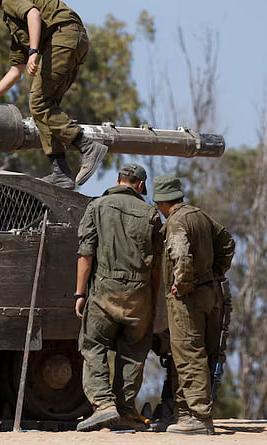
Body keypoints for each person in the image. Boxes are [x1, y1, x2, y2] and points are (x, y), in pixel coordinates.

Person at [0, 0, 107, 190]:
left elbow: (33, 14)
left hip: (63, 37)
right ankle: (60, 171)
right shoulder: (14, 25)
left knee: (38, 103)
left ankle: (87, 146)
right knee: (45, 109)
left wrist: (33, 51)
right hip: (74, 40)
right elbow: (15, 71)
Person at [74, 163, 163, 431]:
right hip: (140, 293)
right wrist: (152, 299)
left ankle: (103, 405)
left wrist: (80, 293)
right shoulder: (151, 214)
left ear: (118, 180)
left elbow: (86, 255)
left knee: (94, 345)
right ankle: (124, 412)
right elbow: (157, 265)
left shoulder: (97, 207)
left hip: (105, 289)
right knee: (134, 352)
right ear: (141, 185)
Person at [151, 173, 235, 435]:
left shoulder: (176, 222)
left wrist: (182, 283)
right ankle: (183, 413)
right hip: (208, 294)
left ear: (162, 203)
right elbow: (227, 242)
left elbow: (180, 255)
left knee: (188, 354)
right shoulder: (199, 215)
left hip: (187, 298)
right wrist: (218, 270)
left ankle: (198, 416)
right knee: (190, 353)